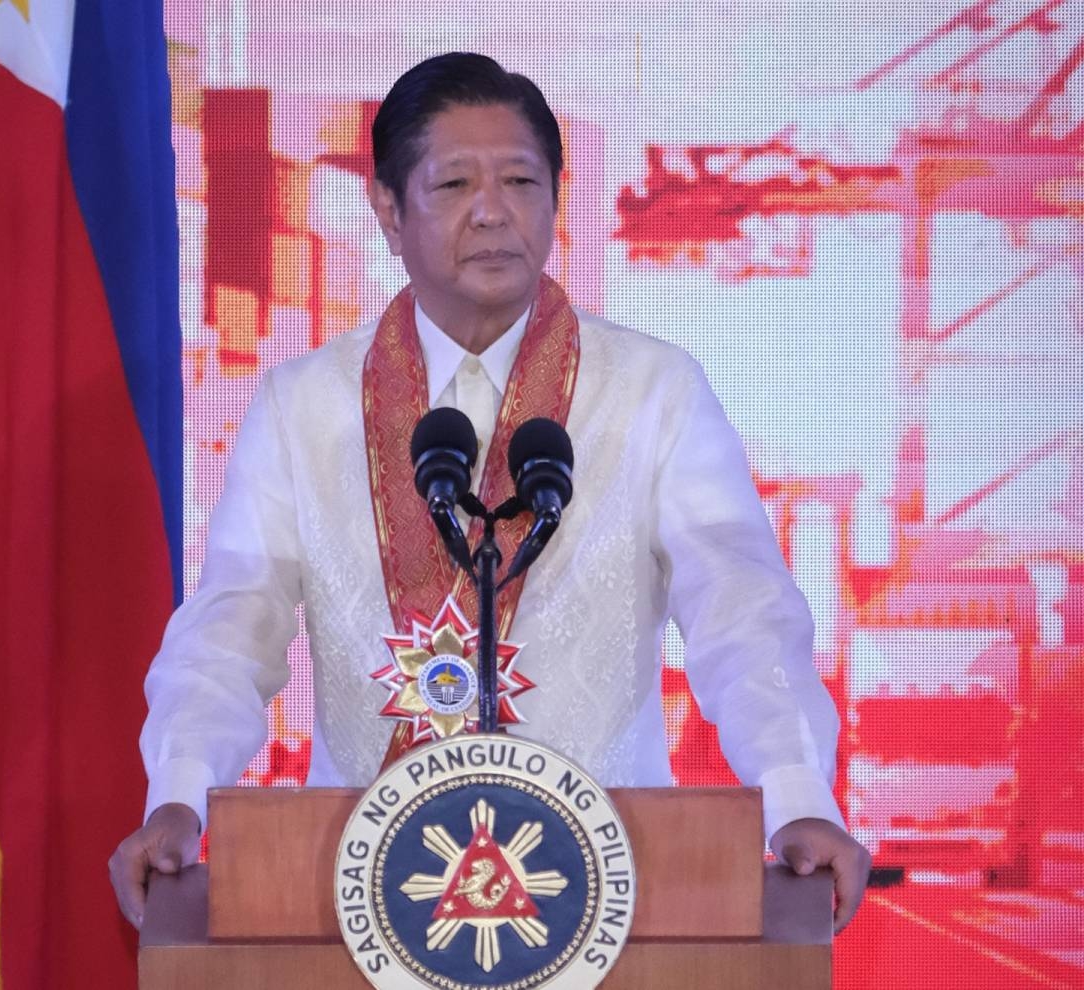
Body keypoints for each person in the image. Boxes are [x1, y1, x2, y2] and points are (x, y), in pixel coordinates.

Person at [109, 52, 871, 934]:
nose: (493, 211)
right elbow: (232, 625)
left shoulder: (653, 390)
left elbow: (742, 609)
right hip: (354, 897)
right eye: (455, 183)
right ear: (389, 212)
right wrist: (179, 795)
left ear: (554, 200)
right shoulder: (303, 406)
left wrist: (795, 793)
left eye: (520, 180)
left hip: (611, 890)